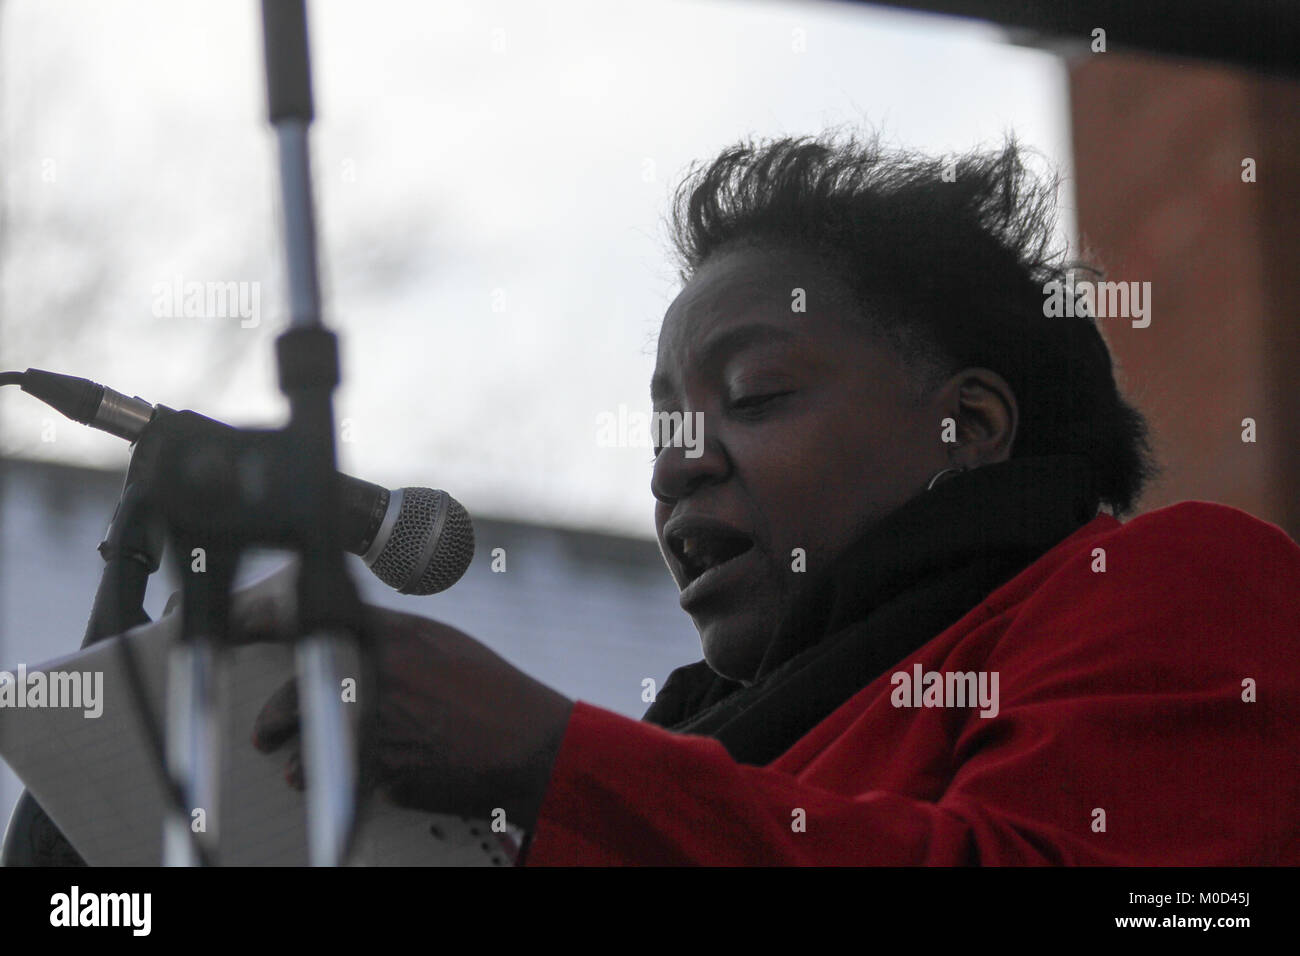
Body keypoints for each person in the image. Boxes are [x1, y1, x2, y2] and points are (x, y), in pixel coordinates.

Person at [242, 132, 1300, 865]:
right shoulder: (679, 759)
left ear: (968, 426)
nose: (675, 465)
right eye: (663, 426)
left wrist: (551, 757)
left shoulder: (1173, 581)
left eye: (755, 393)